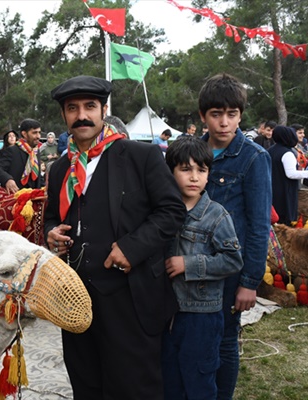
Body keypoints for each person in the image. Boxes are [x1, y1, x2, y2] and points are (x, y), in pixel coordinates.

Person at [44, 75, 186, 399]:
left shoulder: (140, 156)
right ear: (64, 115)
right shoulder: (59, 169)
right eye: (72, 108)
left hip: (130, 298)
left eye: (90, 107)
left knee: (133, 388)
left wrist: (131, 247)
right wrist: (50, 232)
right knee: (86, 385)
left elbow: (172, 211)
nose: (82, 115)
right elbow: (52, 216)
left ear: (103, 110)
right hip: (75, 297)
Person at [198, 73, 271, 399]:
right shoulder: (191, 152)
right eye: (216, 114)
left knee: (226, 339)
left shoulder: (254, 157)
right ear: (203, 116)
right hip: (190, 263)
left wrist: (250, 281)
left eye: (231, 114)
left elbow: (258, 225)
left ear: (241, 115)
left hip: (229, 270)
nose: (224, 122)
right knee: (193, 336)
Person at [162, 136, 243, 400]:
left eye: (202, 170)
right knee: (170, 381)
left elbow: (232, 260)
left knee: (200, 382)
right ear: (171, 171)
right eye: (186, 169)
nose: (194, 177)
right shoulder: (162, 211)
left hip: (202, 316)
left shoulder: (217, 215)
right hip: (167, 313)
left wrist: (189, 264)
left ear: (209, 174)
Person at [268, 125, 308, 226]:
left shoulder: (270, 150)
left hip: (272, 189)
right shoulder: (287, 153)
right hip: (284, 192)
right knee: (284, 222)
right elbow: (291, 174)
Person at [0, 118, 43, 194]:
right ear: (24, 134)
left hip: (33, 198)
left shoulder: (36, 151)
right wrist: (8, 180)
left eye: (39, 132)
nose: (38, 136)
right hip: (15, 198)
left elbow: (37, 176)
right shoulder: (11, 150)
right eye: (34, 133)